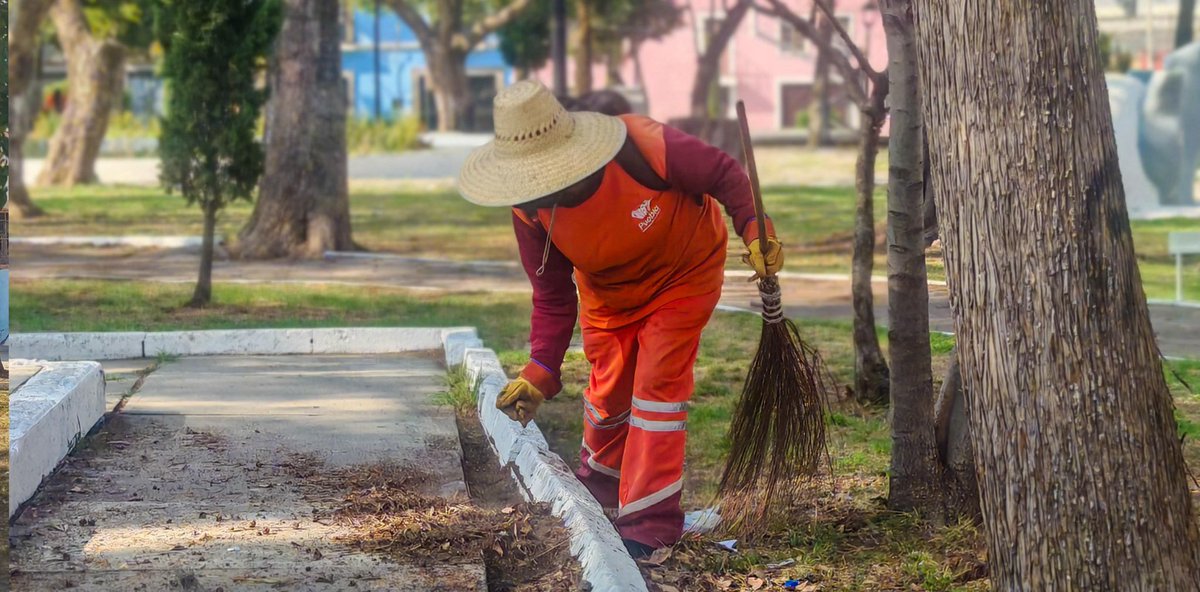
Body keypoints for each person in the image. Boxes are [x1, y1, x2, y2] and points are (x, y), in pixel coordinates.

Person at [456, 81, 783, 557]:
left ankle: (649, 524)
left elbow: (724, 174)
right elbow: (551, 294)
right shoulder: (529, 210)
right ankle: (602, 492)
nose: (541, 188)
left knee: (655, 390)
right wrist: (540, 372)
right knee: (608, 394)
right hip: (608, 294)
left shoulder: (643, 145)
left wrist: (756, 228)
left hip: (682, 273)